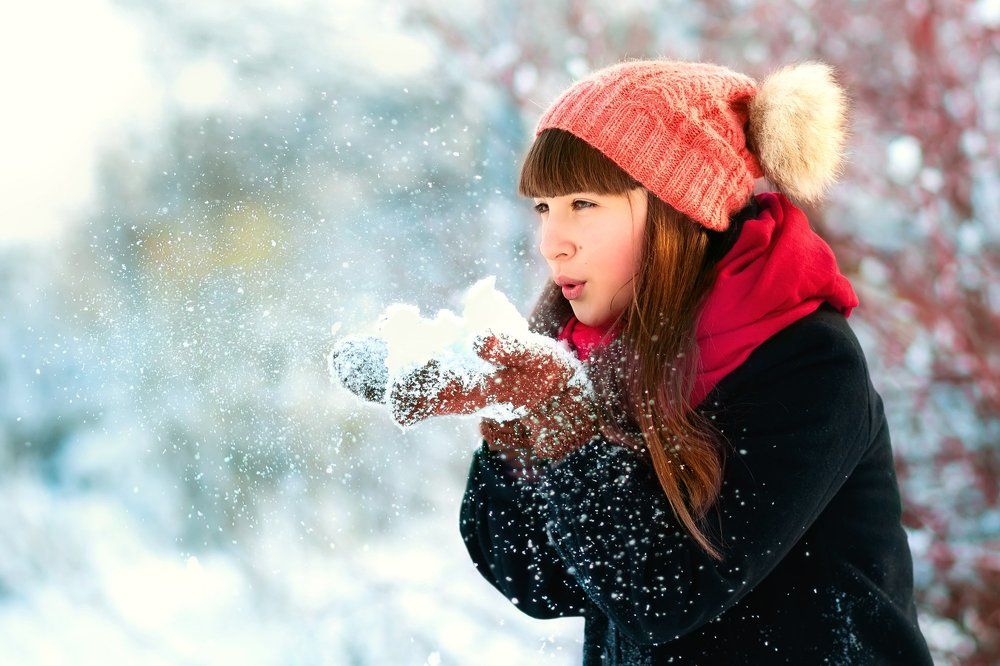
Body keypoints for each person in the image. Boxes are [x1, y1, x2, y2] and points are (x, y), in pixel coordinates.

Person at [332, 58, 935, 664]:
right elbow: (534, 579)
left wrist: (559, 416)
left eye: (583, 204)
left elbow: (665, 594)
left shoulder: (807, 362)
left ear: (678, 209)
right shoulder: (594, 353)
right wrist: (510, 418)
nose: (551, 240)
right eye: (543, 208)